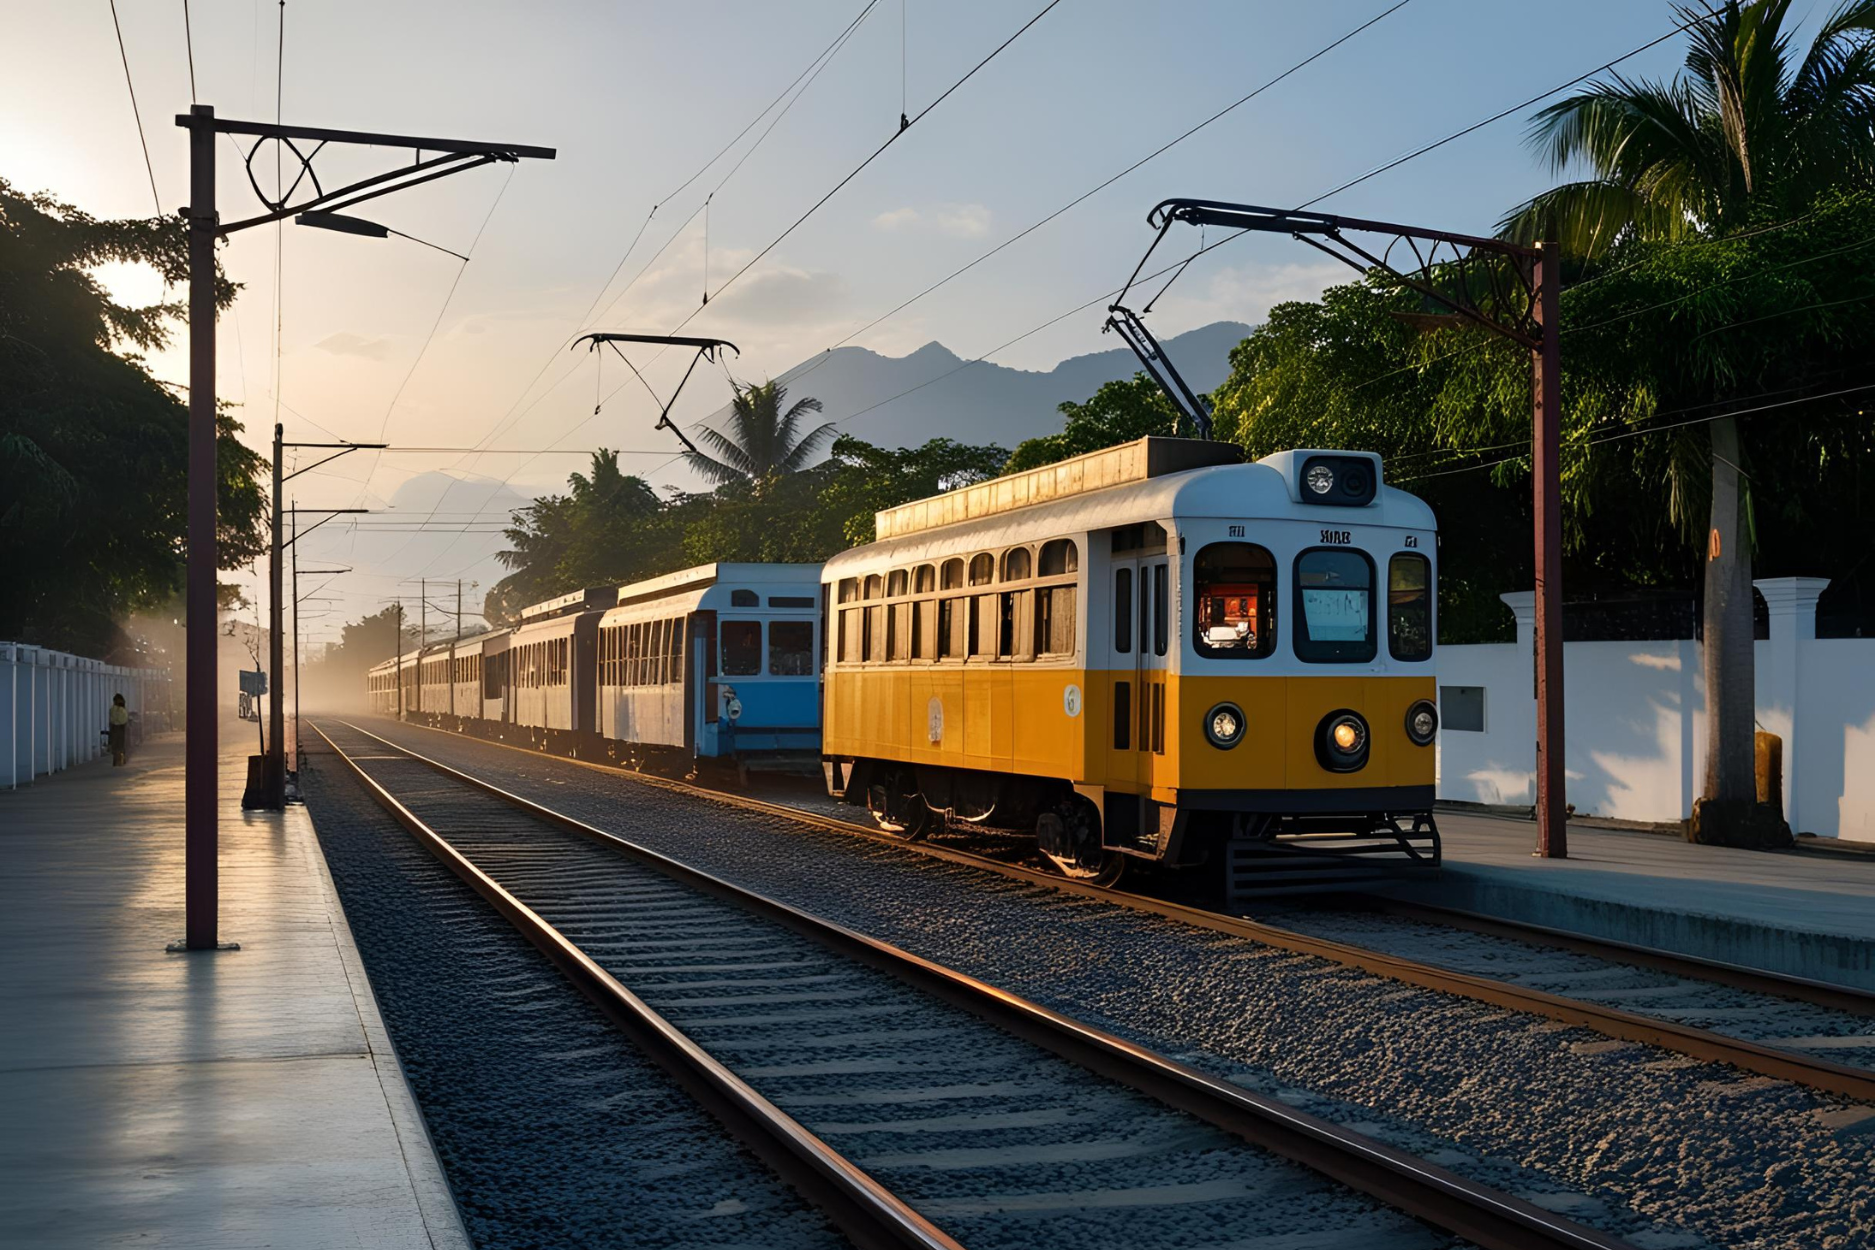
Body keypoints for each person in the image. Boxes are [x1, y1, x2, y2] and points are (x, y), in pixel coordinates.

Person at [108, 694, 129, 766]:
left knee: (115, 746)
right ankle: (121, 760)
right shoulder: (123, 710)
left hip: (114, 728)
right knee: (121, 745)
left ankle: (116, 760)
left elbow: (111, 720)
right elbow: (124, 720)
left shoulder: (112, 709)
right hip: (121, 728)